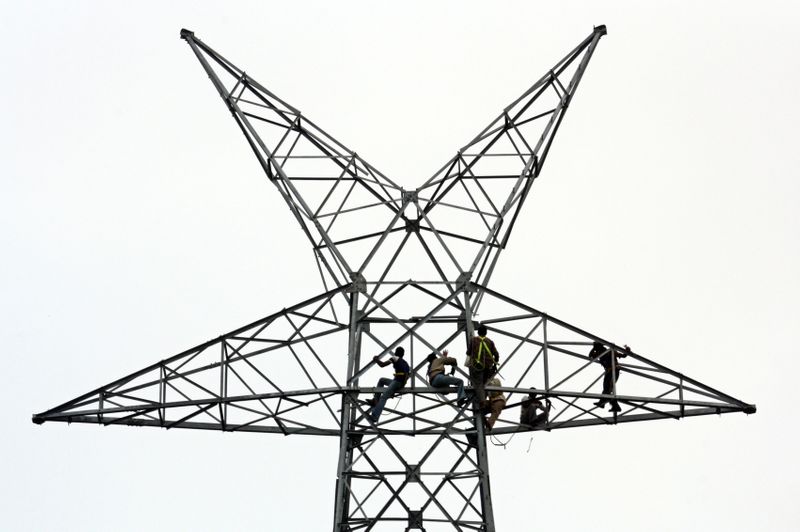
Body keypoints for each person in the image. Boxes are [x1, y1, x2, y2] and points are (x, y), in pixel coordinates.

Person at [368, 346, 409, 422]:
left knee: (384, 397)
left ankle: (375, 416)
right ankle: (375, 400)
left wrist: (376, 359)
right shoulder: (406, 363)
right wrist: (402, 385)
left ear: (396, 352)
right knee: (382, 380)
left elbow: (382, 365)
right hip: (399, 383)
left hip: (397, 381)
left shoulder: (394, 358)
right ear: (403, 354)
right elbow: (407, 375)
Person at [589, 341, 630, 413]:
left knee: (608, 389)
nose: (596, 350)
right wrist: (593, 348)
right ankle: (609, 405)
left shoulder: (610, 351)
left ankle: (605, 403)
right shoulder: (599, 353)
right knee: (606, 388)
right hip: (608, 372)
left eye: (597, 348)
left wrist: (627, 348)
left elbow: (624, 355)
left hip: (614, 371)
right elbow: (590, 355)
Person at [465, 324, 499, 407]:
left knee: (478, 384)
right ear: (486, 333)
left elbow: (468, 353)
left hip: (477, 366)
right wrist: (495, 364)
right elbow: (496, 354)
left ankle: (483, 401)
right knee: (485, 383)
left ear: (478, 332)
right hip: (488, 366)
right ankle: (484, 398)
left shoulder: (474, 340)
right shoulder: (490, 342)